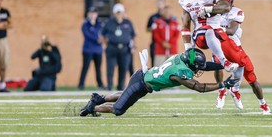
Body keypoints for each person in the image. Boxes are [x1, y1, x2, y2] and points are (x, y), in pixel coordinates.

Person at [79, 48, 238, 117]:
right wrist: (223, 84)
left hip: (143, 77)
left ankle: (99, 98)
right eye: (196, 67)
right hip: (141, 82)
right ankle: (93, 106)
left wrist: (225, 64)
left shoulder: (180, 59)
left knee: (125, 96)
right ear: (190, 65)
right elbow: (199, 87)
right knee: (118, 109)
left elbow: (204, 66)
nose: (199, 69)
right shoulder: (178, 73)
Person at [213, 0, 271, 114]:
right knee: (217, 64)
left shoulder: (236, 12)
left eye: (222, 3)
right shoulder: (213, 13)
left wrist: (214, 29)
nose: (219, 5)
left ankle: (263, 104)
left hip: (234, 47)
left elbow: (232, 30)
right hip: (220, 46)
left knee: (251, 78)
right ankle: (222, 90)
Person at [179, 0, 238, 72]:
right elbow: (185, 25)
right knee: (208, 30)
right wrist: (188, 48)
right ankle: (225, 62)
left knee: (214, 32)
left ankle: (226, 83)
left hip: (218, 34)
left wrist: (207, 9)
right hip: (199, 35)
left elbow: (226, 7)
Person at [101, 3, 136, 91]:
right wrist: (105, 44)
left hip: (124, 48)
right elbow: (102, 35)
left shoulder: (128, 22)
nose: (119, 14)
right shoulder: (109, 22)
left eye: (120, 12)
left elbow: (133, 35)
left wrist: (133, 46)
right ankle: (109, 86)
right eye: (117, 12)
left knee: (123, 68)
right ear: (114, 13)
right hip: (112, 47)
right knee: (110, 68)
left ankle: (120, 87)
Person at [78, 7, 104, 90]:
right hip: (88, 50)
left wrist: (102, 40)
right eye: (91, 13)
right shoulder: (85, 24)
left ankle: (100, 84)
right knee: (85, 67)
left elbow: (103, 34)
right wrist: (97, 39)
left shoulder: (100, 24)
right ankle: (81, 84)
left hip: (98, 50)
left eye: (94, 13)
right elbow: (88, 35)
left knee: (98, 69)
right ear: (88, 14)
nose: (93, 15)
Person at [146, 0, 166, 66]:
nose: (159, 5)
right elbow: (148, 28)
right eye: (158, 4)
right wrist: (156, 28)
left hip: (166, 44)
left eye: (161, 3)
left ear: (164, 4)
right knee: (155, 65)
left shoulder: (167, 17)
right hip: (155, 43)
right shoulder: (153, 17)